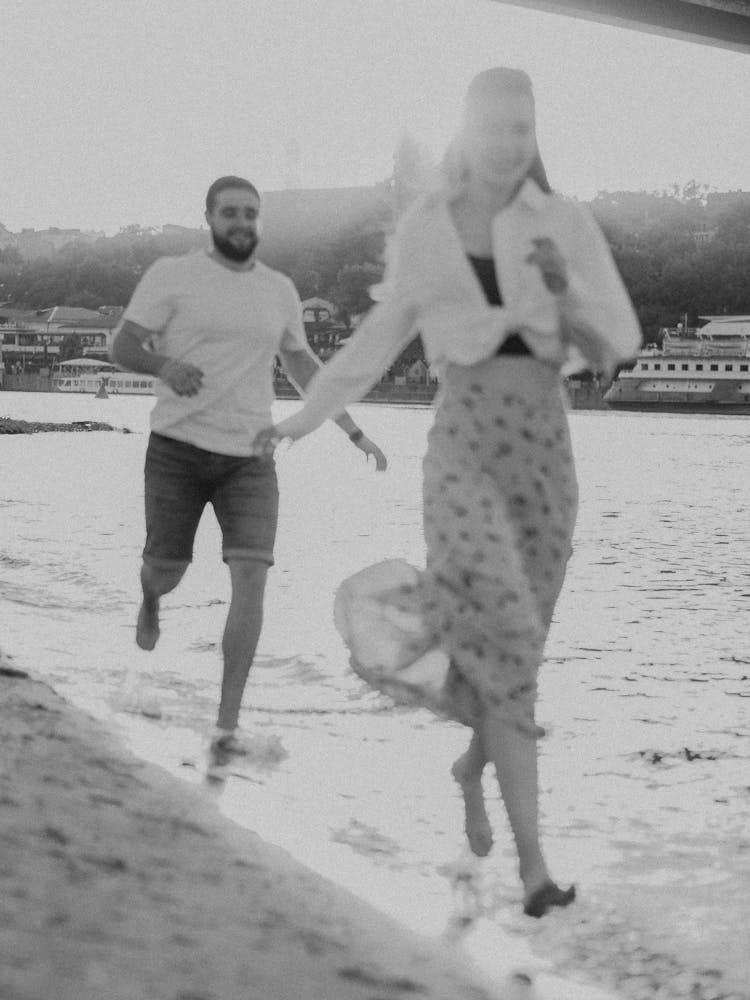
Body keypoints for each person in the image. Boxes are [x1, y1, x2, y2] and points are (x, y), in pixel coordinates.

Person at [253, 69, 640, 917]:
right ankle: (535, 868)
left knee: (518, 648)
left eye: (523, 126)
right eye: (494, 125)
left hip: (544, 441)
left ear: (536, 133)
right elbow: (373, 340)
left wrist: (563, 287)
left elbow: (619, 343)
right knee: (502, 630)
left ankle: (473, 768)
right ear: (467, 131)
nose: (509, 141)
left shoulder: (564, 223)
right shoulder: (429, 227)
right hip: (463, 440)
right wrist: (301, 422)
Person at [111, 175, 387, 760]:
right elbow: (123, 345)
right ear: (209, 217)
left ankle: (226, 725)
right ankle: (152, 598)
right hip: (177, 450)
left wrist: (353, 431)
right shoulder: (172, 275)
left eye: (251, 213)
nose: (241, 221)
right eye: (230, 211)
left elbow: (305, 368)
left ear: (260, 222)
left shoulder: (279, 290)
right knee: (167, 569)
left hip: (251, 459)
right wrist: (164, 368)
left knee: (252, 579)